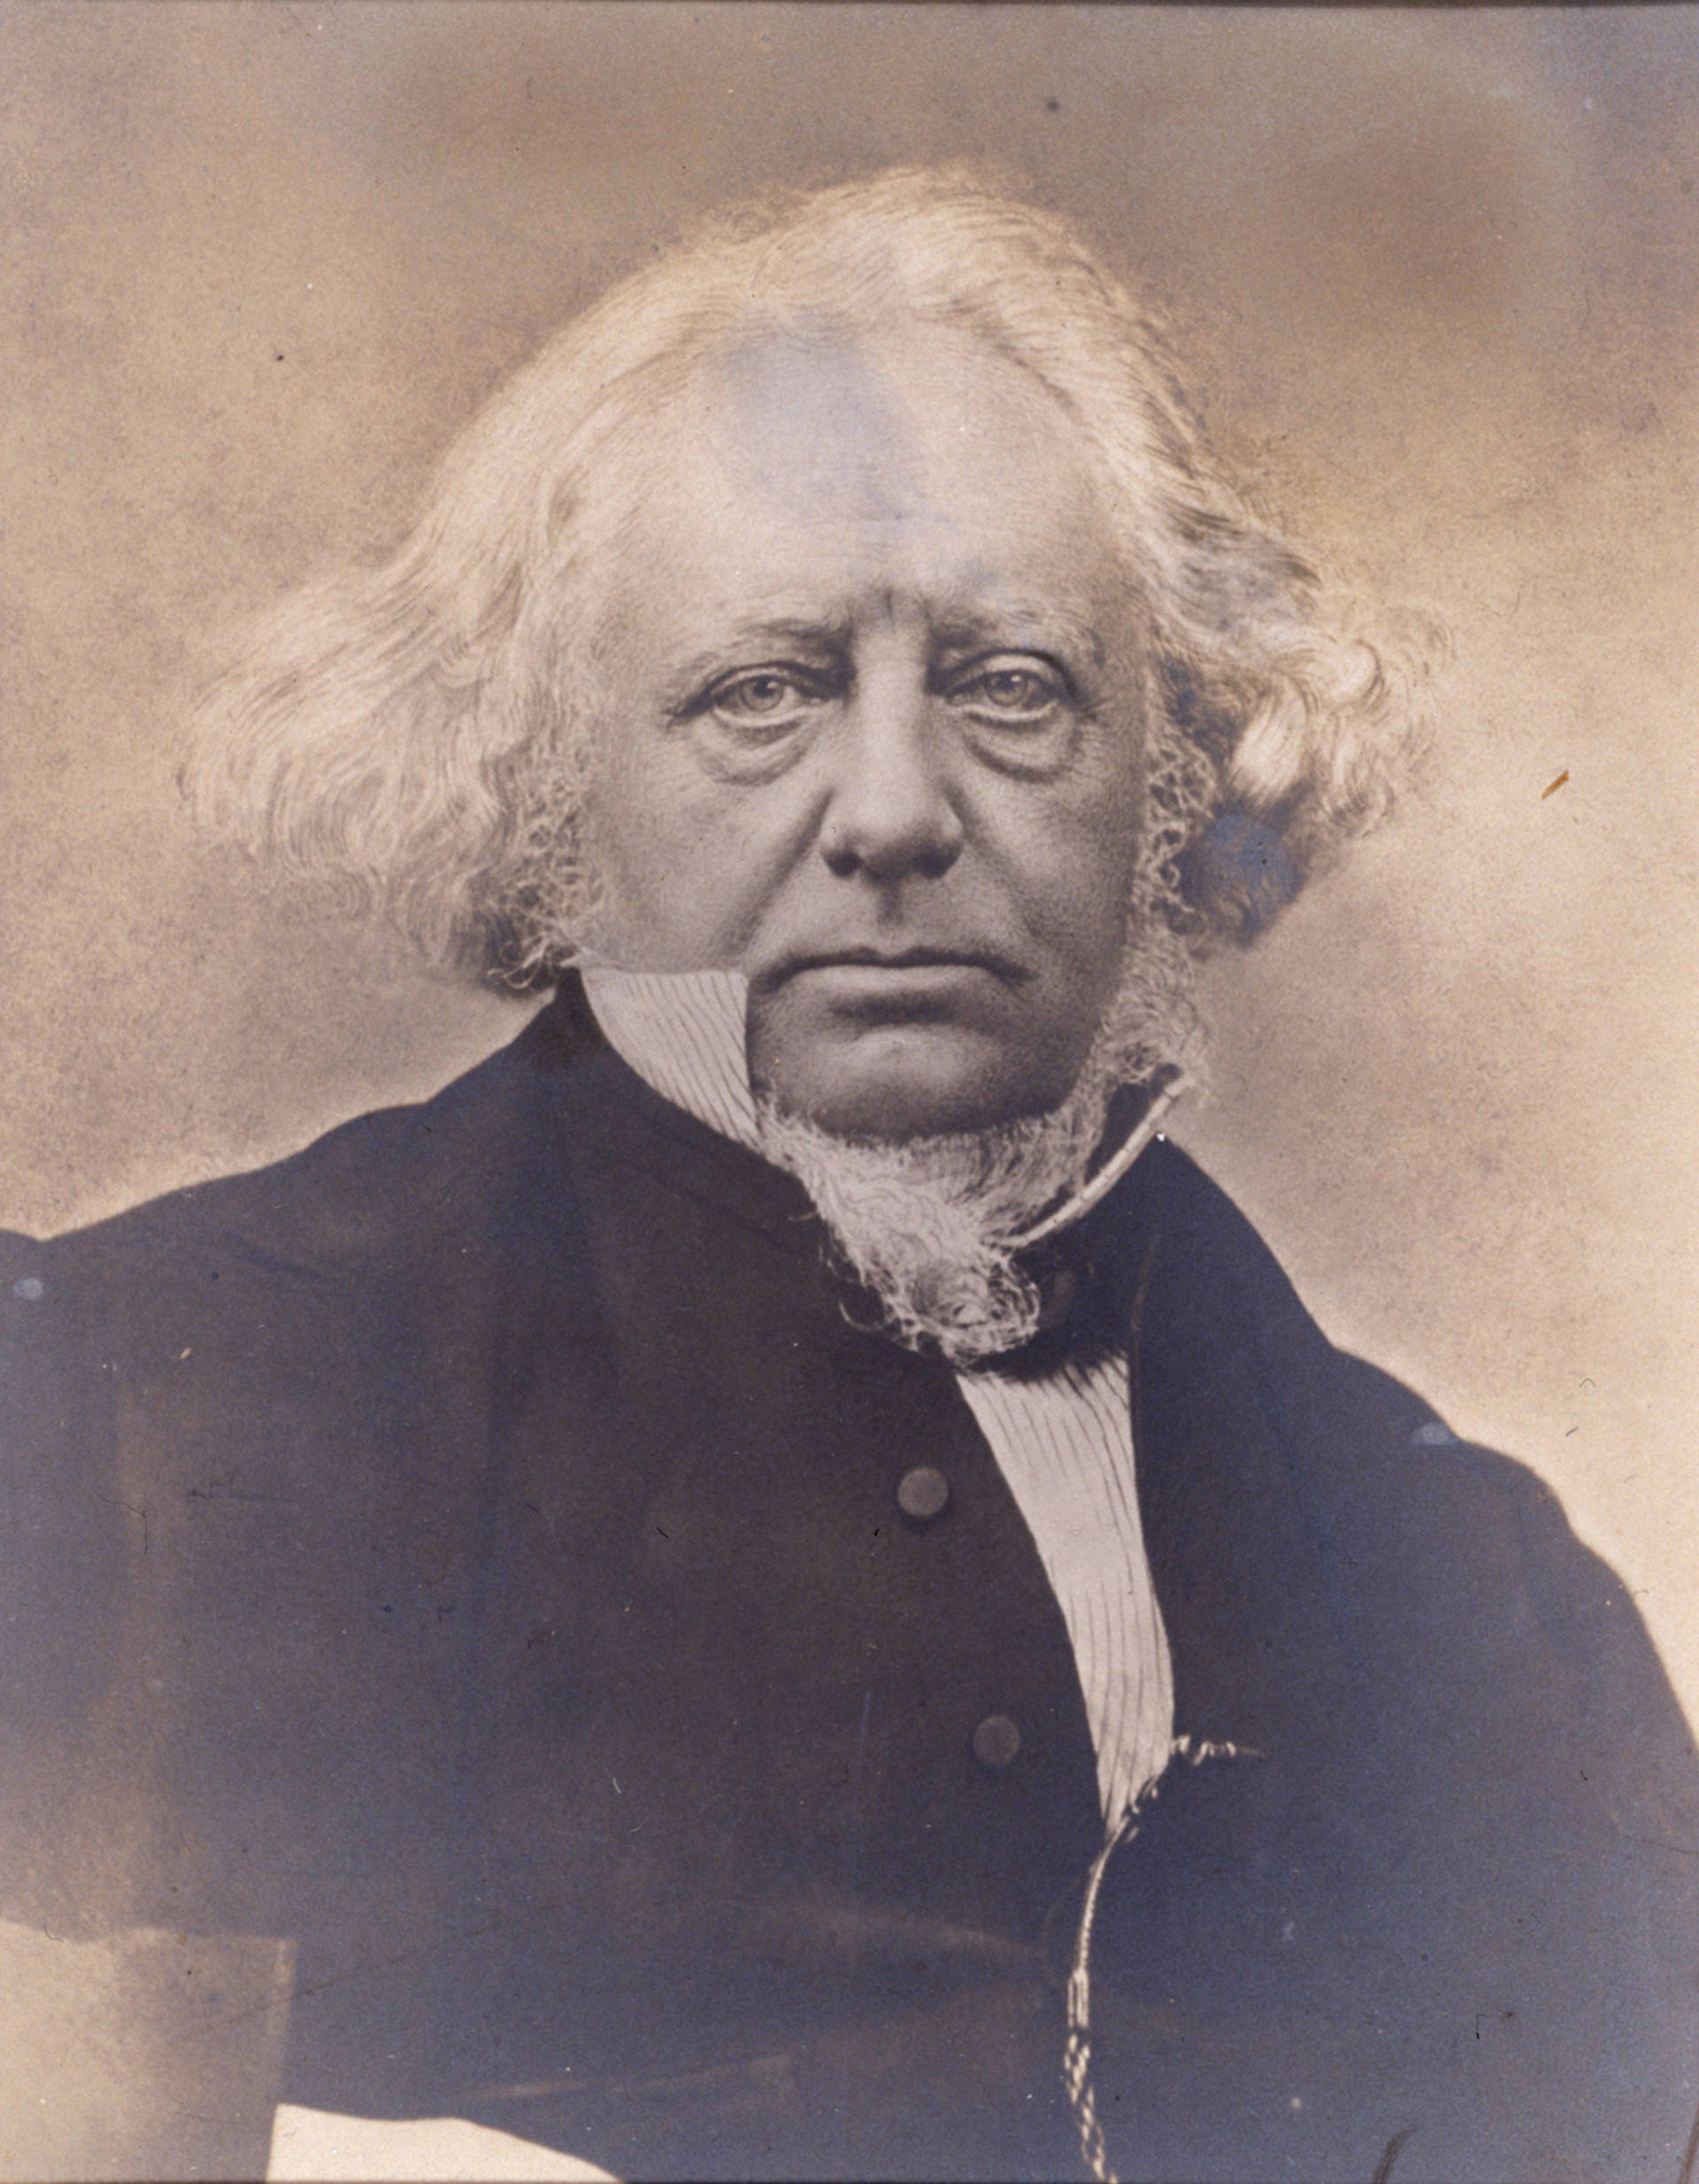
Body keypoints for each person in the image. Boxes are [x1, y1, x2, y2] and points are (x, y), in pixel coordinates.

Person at [2, 170, 1695, 2183]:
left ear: (1179, 773)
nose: (894, 812)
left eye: (1011, 684)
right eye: (764, 690)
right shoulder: (116, 1424)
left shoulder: (1489, 1607)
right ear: (552, 789)